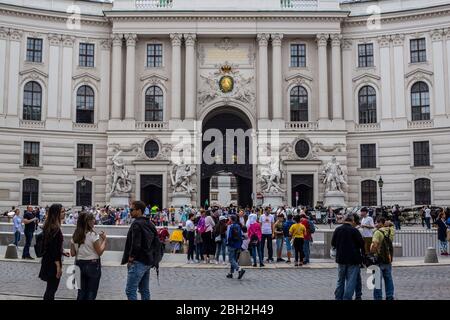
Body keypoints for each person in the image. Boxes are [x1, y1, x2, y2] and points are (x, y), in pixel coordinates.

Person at [121, 200, 157, 300]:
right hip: (147, 261)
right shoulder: (149, 223)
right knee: (144, 290)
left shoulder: (136, 224)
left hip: (138, 262)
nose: (130, 212)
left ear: (139, 210)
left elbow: (136, 244)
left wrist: (131, 258)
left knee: (130, 290)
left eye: (132, 210)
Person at [71, 212, 107, 300]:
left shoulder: (75, 235)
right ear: (88, 222)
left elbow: (72, 253)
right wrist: (105, 240)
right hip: (92, 265)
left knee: (81, 292)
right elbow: (99, 252)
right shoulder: (92, 235)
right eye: (92, 219)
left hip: (79, 265)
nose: (94, 221)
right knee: (91, 293)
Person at [331, 213, 365, 300]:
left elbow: (333, 243)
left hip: (341, 259)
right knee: (351, 281)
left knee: (340, 280)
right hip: (353, 259)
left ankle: (338, 297)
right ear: (352, 221)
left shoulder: (338, 230)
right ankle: (347, 298)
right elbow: (361, 244)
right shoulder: (354, 231)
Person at [39, 204, 68, 300]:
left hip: (48, 260)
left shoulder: (50, 226)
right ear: (56, 214)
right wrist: (58, 267)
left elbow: (52, 246)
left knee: (50, 289)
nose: (65, 213)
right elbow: (53, 250)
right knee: (51, 290)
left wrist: (62, 252)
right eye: (62, 212)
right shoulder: (55, 229)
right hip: (53, 264)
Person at [370, 217, 395, 300]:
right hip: (388, 258)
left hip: (378, 259)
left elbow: (374, 245)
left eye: (377, 222)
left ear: (381, 223)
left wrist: (371, 252)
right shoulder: (391, 231)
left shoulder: (377, 232)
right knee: (389, 279)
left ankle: (378, 297)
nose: (375, 224)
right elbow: (392, 225)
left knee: (377, 281)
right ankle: (389, 296)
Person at [226, 215, 245, 279]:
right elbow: (242, 235)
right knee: (234, 259)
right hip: (238, 245)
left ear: (231, 220)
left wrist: (227, 243)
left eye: (229, 219)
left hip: (231, 244)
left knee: (231, 260)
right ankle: (230, 273)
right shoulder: (239, 226)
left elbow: (229, 236)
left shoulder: (230, 226)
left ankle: (239, 269)